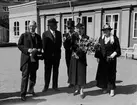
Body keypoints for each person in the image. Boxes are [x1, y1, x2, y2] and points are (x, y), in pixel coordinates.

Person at [18, 20, 42, 101]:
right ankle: (23, 94)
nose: (32, 28)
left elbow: (41, 46)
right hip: (26, 59)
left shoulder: (38, 37)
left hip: (34, 59)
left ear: (36, 27)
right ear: (28, 27)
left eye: (33, 26)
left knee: (33, 76)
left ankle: (31, 90)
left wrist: (38, 49)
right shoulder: (24, 35)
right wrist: (27, 50)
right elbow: (19, 45)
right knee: (25, 77)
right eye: (30, 26)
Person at [94, 24, 121, 97]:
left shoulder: (114, 38)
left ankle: (112, 89)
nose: (105, 31)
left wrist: (112, 56)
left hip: (111, 59)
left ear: (109, 31)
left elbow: (118, 49)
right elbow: (99, 48)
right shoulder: (101, 38)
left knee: (111, 74)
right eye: (104, 30)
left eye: (107, 30)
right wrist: (98, 57)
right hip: (103, 59)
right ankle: (105, 87)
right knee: (103, 74)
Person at [68, 23, 89, 99]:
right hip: (74, 57)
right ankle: (77, 89)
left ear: (83, 29)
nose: (79, 30)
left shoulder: (86, 37)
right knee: (75, 73)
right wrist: (74, 52)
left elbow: (87, 48)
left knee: (82, 74)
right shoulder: (74, 36)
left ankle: (82, 90)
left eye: (81, 29)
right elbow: (70, 46)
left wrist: (85, 49)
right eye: (78, 29)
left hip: (82, 58)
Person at [42, 18, 62, 92]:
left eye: (56, 24)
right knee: (47, 71)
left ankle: (55, 86)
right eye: (54, 25)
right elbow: (44, 46)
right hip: (48, 57)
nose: (56, 26)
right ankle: (46, 86)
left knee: (56, 71)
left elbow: (59, 44)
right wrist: (48, 54)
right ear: (50, 26)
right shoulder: (45, 34)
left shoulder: (59, 33)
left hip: (56, 56)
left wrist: (56, 53)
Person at [63, 20, 75, 88]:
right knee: (69, 67)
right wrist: (68, 47)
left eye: (71, 28)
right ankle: (70, 82)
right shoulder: (65, 35)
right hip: (68, 54)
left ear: (73, 28)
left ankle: (75, 81)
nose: (70, 29)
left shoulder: (76, 35)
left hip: (75, 53)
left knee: (75, 67)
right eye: (68, 28)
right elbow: (64, 45)